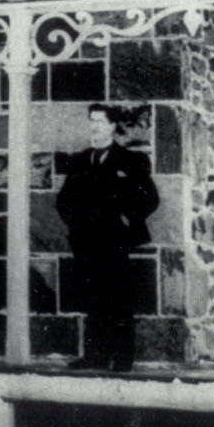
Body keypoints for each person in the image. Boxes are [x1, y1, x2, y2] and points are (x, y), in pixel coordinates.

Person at [55, 104, 160, 372]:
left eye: (100, 121)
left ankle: (122, 358)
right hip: (86, 241)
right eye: (91, 121)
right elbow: (64, 200)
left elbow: (149, 198)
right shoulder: (80, 160)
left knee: (118, 299)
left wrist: (126, 219)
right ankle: (94, 355)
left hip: (115, 241)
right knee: (93, 298)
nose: (94, 126)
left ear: (112, 126)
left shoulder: (130, 160)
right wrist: (75, 224)